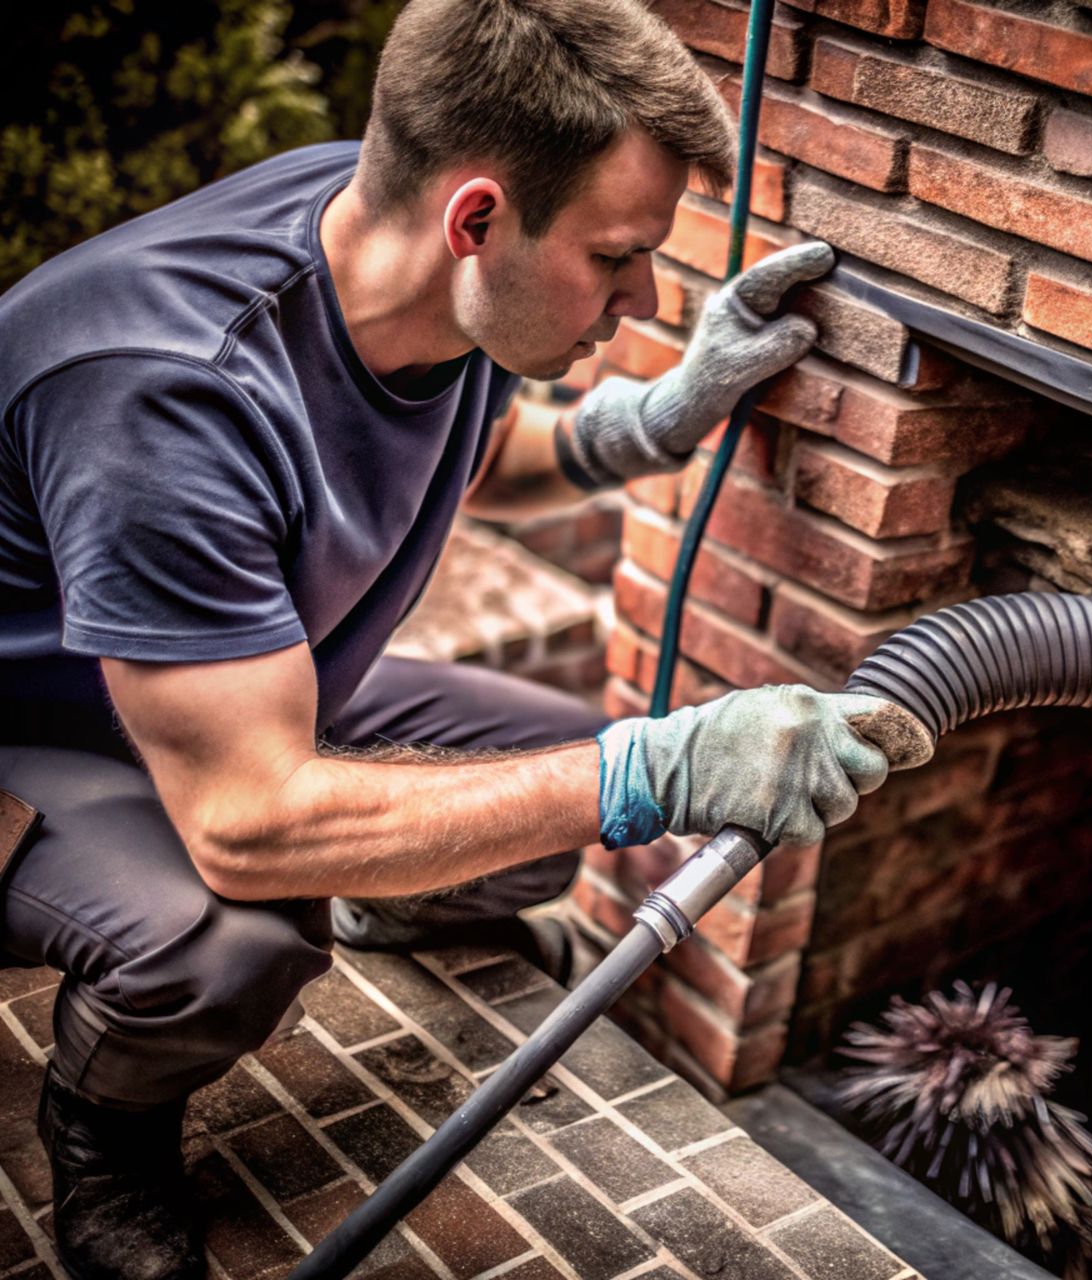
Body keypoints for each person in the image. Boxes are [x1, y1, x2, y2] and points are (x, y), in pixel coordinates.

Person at [0, 2, 894, 1275]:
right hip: (39, 731)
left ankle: (373, 878)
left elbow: (462, 451)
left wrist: (657, 416)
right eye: (617, 257)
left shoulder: (403, 248)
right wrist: (658, 774)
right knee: (227, 933)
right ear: (476, 220)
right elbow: (246, 820)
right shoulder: (169, 391)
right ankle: (106, 1136)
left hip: (224, 682)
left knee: (534, 812)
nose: (641, 301)